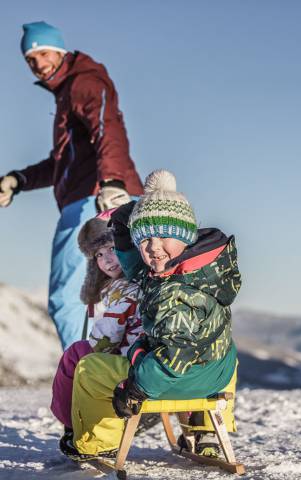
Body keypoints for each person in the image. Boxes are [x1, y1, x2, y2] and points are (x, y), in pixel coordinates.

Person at [63, 170, 241, 460]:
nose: (153, 248)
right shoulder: (202, 268)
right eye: (144, 240)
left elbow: (174, 358)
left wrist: (135, 389)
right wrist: (128, 216)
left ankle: (95, 444)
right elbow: (135, 266)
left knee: (90, 368)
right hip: (217, 376)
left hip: (180, 378)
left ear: (184, 235)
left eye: (164, 236)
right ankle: (202, 431)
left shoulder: (174, 294)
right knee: (222, 347)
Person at [0, 21, 144, 350]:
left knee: (68, 298)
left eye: (43, 53)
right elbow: (62, 163)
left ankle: (81, 378)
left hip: (93, 199)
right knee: (125, 288)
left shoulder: (84, 82)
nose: (38, 64)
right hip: (97, 194)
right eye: (30, 59)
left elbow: (107, 130)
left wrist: (111, 180)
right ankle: (124, 373)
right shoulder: (69, 91)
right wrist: (18, 180)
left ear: (60, 51)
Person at [51, 211, 142, 447]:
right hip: (138, 353)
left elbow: (106, 337)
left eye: (112, 248)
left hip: (129, 358)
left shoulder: (125, 288)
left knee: (75, 355)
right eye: (99, 255)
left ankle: (73, 422)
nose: (108, 259)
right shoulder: (129, 283)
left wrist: (92, 344)